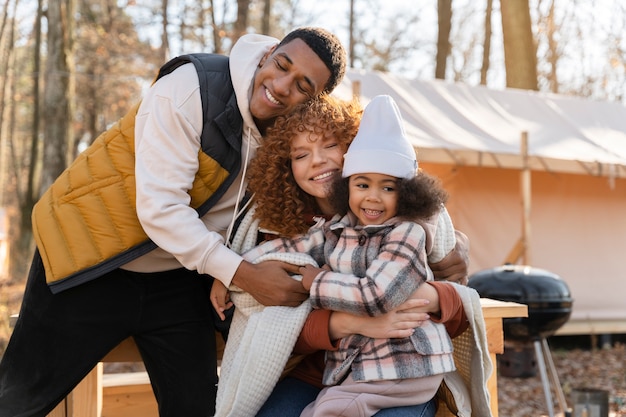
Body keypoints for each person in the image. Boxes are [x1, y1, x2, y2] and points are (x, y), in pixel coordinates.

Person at [0, 27, 347, 417]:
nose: (282, 86)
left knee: (196, 408)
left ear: (315, 100)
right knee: (19, 402)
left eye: (302, 86)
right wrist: (243, 274)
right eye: (281, 65)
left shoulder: (293, 137)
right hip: (92, 259)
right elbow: (161, 210)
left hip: (179, 277)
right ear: (268, 53)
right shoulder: (192, 88)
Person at [211, 94, 469, 417]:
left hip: (398, 370)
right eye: (301, 154)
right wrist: (234, 270)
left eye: (330, 146)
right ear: (286, 165)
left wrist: (432, 296)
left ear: (352, 147)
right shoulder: (285, 228)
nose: (318, 161)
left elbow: (459, 305)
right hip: (319, 371)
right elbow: (278, 326)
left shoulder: (410, 223)